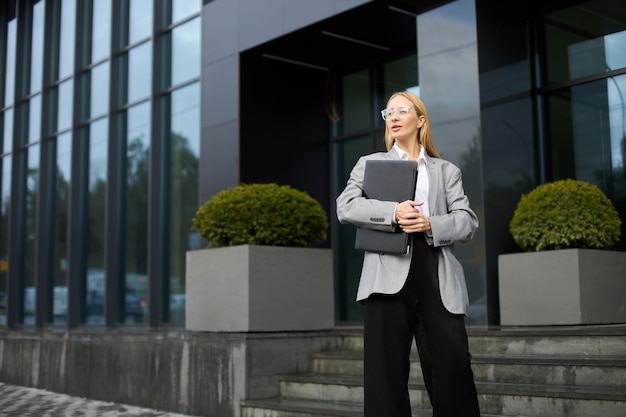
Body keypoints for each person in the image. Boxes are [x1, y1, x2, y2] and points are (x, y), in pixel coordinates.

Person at [336, 91, 481, 417]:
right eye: (388, 112)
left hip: (436, 271)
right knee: (384, 376)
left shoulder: (446, 171)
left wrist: (430, 222)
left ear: (421, 119)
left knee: (454, 366)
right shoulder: (370, 164)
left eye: (403, 110)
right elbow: (345, 207)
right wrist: (393, 212)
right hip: (386, 273)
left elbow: (467, 221)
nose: (395, 116)